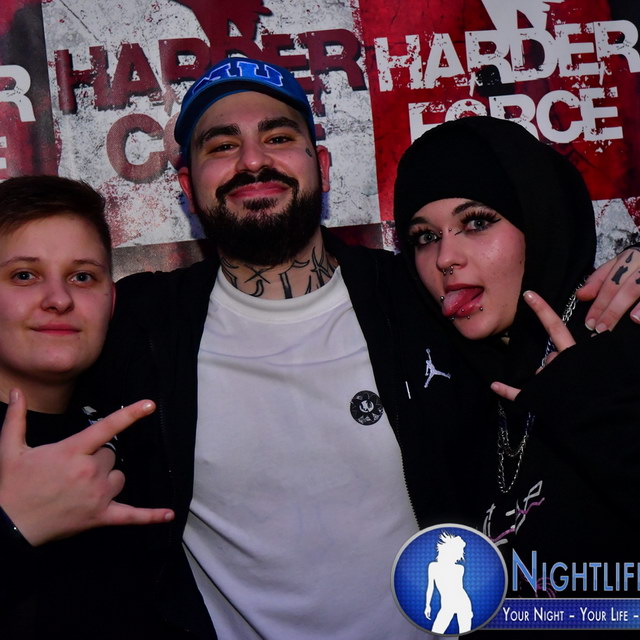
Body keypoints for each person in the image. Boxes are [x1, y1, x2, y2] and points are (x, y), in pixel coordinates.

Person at [90, 59, 640, 639]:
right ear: (185, 186)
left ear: (323, 167)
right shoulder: (140, 324)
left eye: (278, 137)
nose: (252, 160)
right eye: (223, 145)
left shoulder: (415, 300)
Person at [393, 116, 639, 607]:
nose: (445, 257)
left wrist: (600, 408)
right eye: (424, 236)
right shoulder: (450, 381)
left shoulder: (623, 337)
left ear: (539, 222)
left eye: (476, 222)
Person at [0, 176, 174, 639]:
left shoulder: (133, 427)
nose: (59, 300)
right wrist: (13, 525)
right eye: (24, 275)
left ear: (110, 302)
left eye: (82, 276)